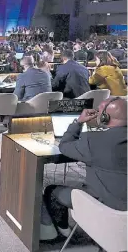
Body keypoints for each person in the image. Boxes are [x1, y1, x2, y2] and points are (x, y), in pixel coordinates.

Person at [43, 97, 127, 236]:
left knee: (52, 191)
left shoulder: (93, 141)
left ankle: (64, 233)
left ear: (105, 117)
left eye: (99, 111)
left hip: (109, 208)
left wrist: (78, 122)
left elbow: (64, 146)